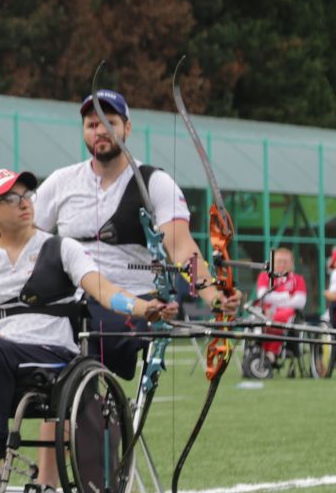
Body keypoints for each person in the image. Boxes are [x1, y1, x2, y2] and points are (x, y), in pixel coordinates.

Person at [0, 170, 175, 493]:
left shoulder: (62, 247)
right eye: (11, 199)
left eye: (27, 196)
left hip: (52, 353)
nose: (24, 204)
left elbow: (103, 290)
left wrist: (144, 308)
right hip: (1, 348)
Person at [35, 88, 236, 380]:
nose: (100, 131)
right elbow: (27, 241)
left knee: (80, 358)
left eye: (109, 123)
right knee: (46, 376)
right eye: (92, 125)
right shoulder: (60, 182)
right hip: (72, 301)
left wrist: (215, 297)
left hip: (132, 302)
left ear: (127, 127)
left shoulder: (155, 183)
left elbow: (181, 249)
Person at [252, 246, 307, 366]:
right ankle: (265, 354)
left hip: (287, 316)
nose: (282, 264)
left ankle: (270, 353)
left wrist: (274, 300)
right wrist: (287, 296)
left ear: (292, 263)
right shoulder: (264, 276)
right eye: (279, 261)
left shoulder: (298, 279)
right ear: (272, 262)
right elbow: (262, 296)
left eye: (286, 261)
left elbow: (300, 301)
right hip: (265, 312)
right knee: (261, 317)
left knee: (280, 317)